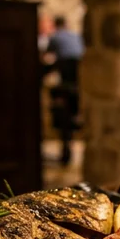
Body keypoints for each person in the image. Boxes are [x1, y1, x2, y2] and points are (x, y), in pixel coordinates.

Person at [44, 16, 85, 165]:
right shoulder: (75, 35)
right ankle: (68, 150)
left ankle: (66, 153)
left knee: (63, 118)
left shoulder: (55, 37)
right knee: (71, 118)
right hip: (79, 85)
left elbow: (47, 58)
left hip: (66, 86)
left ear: (56, 25)